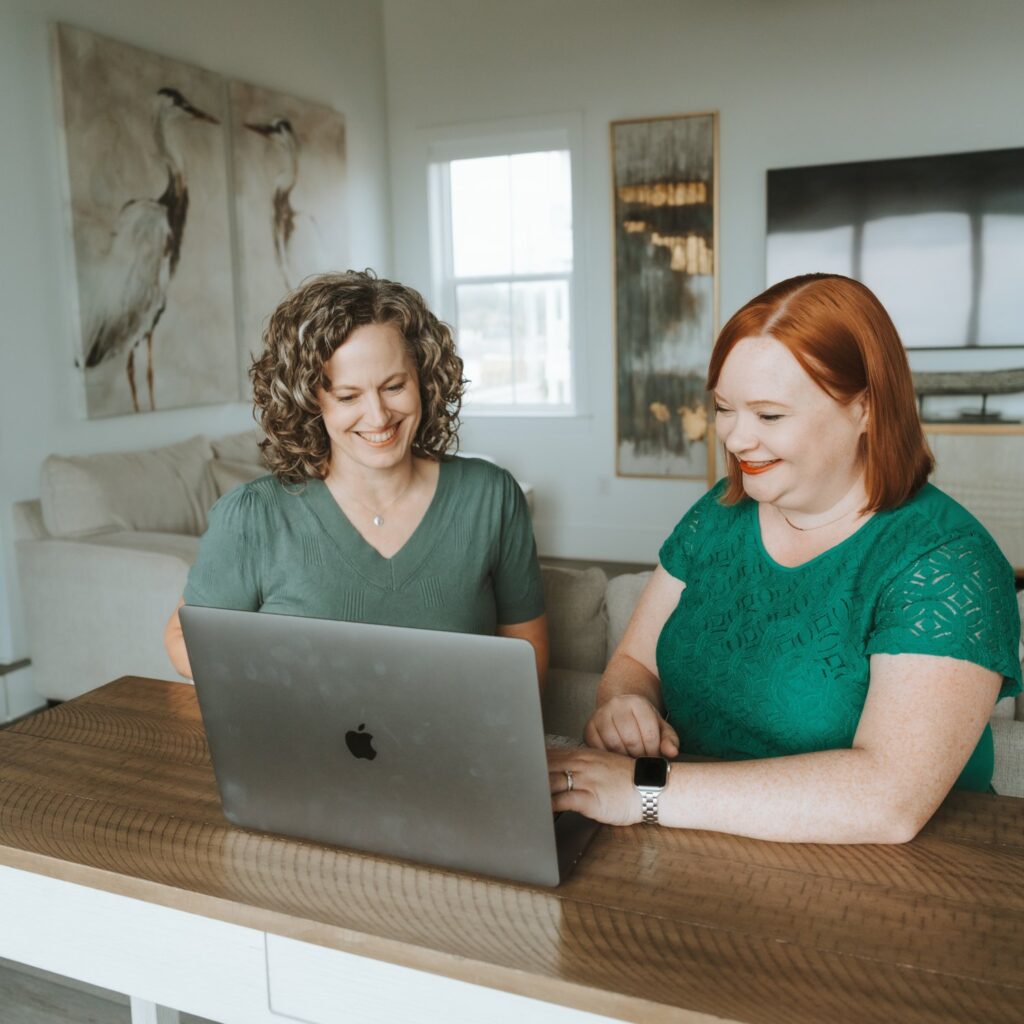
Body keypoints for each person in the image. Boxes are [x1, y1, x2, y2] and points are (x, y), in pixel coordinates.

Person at [549, 273, 1021, 843]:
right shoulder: (717, 516)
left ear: (865, 408)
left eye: (769, 416)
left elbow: (888, 800)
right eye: (725, 408)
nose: (737, 439)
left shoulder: (946, 562)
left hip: (901, 882)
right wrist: (626, 703)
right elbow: (635, 663)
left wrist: (645, 790)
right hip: (694, 843)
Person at [164, 270, 548, 685]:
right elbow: (182, 638)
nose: (379, 417)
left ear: (423, 379)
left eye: (394, 386)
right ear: (312, 401)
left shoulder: (490, 496)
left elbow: (526, 647)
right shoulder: (253, 515)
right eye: (348, 396)